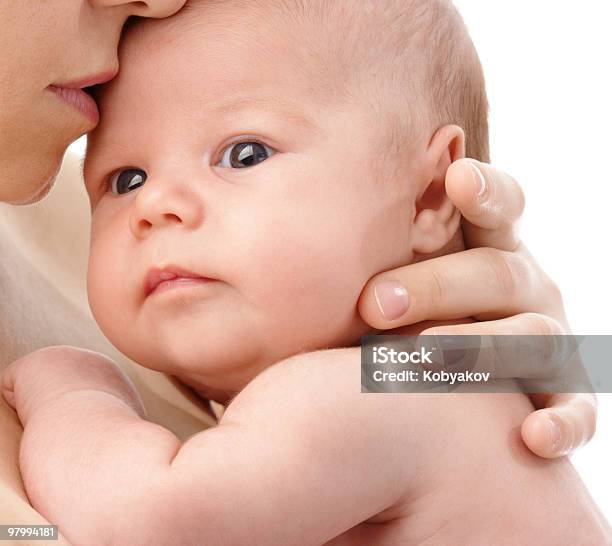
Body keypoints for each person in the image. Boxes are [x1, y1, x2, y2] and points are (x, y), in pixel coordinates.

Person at [3, 1, 610, 544]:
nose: (154, 205)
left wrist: (75, 393)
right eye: (125, 179)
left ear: (428, 195)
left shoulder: (363, 392)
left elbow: (143, 523)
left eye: (244, 154)